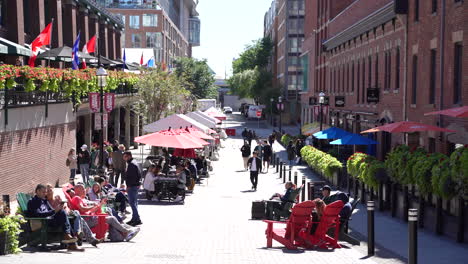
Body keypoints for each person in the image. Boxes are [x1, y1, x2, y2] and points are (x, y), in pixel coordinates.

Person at [71, 184, 140, 242]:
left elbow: (89, 211)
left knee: (109, 214)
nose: (85, 190)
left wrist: (100, 205)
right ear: (77, 190)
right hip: (86, 221)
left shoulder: (79, 198)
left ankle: (121, 234)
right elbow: (83, 209)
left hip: (89, 218)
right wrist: (92, 206)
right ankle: (126, 232)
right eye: (82, 189)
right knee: (112, 218)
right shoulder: (76, 198)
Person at [27, 184, 83, 251]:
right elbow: (38, 214)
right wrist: (54, 211)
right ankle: (71, 241)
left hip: (49, 220)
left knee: (63, 213)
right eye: (43, 192)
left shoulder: (44, 200)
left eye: (45, 192)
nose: (45, 194)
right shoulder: (33, 202)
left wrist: (57, 209)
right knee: (63, 216)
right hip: (43, 222)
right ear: (37, 191)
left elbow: (51, 210)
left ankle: (69, 238)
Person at [123, 151, 142, 226]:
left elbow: (132, 177)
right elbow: (139, 174)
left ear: (129, 156)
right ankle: (134, 218)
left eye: (125, 157)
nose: (124, 159)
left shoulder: (132, 164)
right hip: (134, 186)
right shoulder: (134, 163)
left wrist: (128, 186)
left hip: (132, 186)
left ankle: (137, 219)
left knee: (132, 203)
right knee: (134, 203)